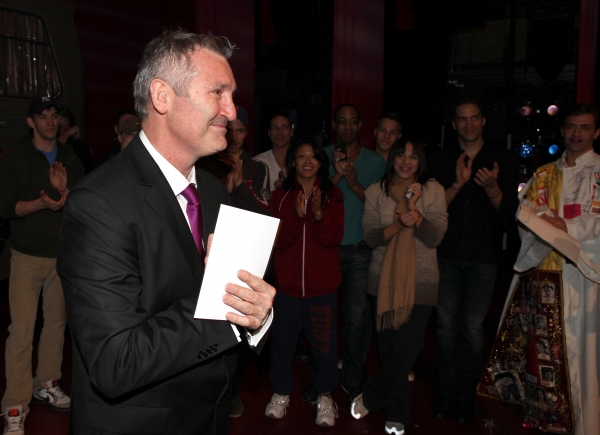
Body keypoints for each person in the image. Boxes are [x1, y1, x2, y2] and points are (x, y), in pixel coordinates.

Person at [56, 30, 275, 435]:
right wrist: (226, 316)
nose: (232, 109)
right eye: (218, 92)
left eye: (232, 94)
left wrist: (255, 312)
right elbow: (114, 362)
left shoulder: (211, 191)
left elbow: (228, 305)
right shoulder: (97, 204)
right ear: (162, 97)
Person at [489, 104, 600, 435]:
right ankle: (546, 422)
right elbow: (525, 219)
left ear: (596, 132)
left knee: (579, 357)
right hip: (543, 276)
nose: (576, 133)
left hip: (581, 277)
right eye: (570, 127)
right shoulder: (543, 174)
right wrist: (542, 227)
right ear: (562, 130)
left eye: (584, 127)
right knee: (541, 359)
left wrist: (564, 225)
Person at [428, 98, 519, 424]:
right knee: (445, 328)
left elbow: (510, 212)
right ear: (454, 123)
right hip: (448, 256)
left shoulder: (501, 159)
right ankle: (445, 393)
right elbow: (432, 208)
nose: (468, 124)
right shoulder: (441, 158)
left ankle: (465, 397)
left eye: (474, 118)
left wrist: (493, 187)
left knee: (472, 330)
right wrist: (458, 183)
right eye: (462, 119)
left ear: (483, 121)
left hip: (484, 259)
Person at [0, 96, 85, 435]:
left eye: (55, 116)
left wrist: (67, 195)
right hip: (26, 255)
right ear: (30, 122)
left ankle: (46, 383)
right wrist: (43, 203)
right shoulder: (16, 157)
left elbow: (85, 203)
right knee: (21, 330)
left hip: (62, 255)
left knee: (56, 325)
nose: (51, 121)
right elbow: (6, 207)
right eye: (44, 116)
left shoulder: (69, 157)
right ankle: (14, 405)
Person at [351, 139, 448, 435]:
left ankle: (373, 394)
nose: (406, 161)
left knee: (410, 347)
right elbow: (370, 237)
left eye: (413, 156)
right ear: (392, 159)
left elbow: (434, 238)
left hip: (421, 282)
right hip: (382, 282)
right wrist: (399, 224)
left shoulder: (433, 191)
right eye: (401, 156)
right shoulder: (375, 192)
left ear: (421, 161)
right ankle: (397, 414)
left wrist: (415, 214)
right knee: (390, 350)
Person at [265, 137, 344, 427]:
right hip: (286, 291)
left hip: (322, 291)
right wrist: (298, 219)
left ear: (321, 163)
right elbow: (279, 241)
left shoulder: (333, 195)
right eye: (301, 156)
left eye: (313, 157)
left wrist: (319, 216)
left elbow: (333, 238)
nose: (307, 161)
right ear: (293, 162)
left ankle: (325, 396)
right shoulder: (280, 198)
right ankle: (281, 393)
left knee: (324, 348)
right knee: (282, 347)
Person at [325, 103, 386, 400]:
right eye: (342, 122)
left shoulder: (375, 162)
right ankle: (322, 376)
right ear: (335, 125)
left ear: (360, 125)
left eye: (353, 122)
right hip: (326, 249)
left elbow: (380, 205)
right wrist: (336, 175)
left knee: (355, 318)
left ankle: (351, 377)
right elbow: (315, 198)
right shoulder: (321, 155)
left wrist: (354, 183)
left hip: (360, 250)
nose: (347, 127)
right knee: (322, 317)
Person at [197, 105, 270, 209]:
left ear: (246, 133)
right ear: (221, 129)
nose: (234, 138)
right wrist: (225, 191)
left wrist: (239, 184)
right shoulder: (204, 164)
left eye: (239, 131)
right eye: (229, 130)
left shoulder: (258, 167)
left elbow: (265, 213)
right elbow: (198, 209)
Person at [254, 112, 294, 191]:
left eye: (285, 127)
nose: (280, 132)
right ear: (269, 133)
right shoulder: (259, 161)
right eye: (275, 128)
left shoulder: (300, 161)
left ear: (291, 132)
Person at [58, 107, 93, 174]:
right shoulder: (48, 145)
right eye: (58, 127)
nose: (61, 131)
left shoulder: (80, 148)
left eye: (64, 128)